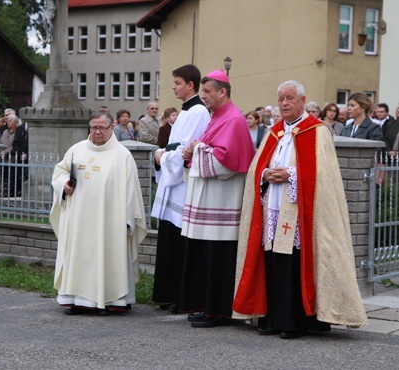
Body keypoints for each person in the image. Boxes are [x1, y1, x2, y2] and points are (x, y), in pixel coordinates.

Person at [233, 80, 368, 339]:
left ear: (302, 101)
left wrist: (291, 175)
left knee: (294, 265)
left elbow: (324, 177)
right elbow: (255, 169)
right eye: (281, 98)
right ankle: (271, 318)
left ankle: (294, 322)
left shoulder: (317, 132)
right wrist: (264, 174)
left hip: (299, 214)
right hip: (272, 207)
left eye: (290, 98)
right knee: (272, 262)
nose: (284, 103)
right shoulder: (273, 132)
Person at [179, 70, 256, 327]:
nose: (203, 97)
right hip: (211, 202)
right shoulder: (218, 117)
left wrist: (196, 148)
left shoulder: (233, 119)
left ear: (222, 92)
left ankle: (220, 311)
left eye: (207, 92)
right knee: (207, 257)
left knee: (219, 259)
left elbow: (225, 162)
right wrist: (197, 147)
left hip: (223, 203)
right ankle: (207, 307)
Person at [50, 110, 147, 315]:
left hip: (109, 222)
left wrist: (129, 220)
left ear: (112, 128)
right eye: (93, 127)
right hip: (78, 218)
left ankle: (111, 299)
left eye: (102, 127)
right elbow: (60, 172)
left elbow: (131, 190)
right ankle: (76, 300)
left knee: (108, 256)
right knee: (78, 256)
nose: (97, 132)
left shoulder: (122, 155)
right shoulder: (77, 150)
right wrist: (63, 186)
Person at [150, 64, 210, 312]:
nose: (173, 87)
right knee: (169, 239)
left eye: (177, 83)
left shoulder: (198, 112)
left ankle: (182, 297)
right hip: (172, 183)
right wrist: (164, 153)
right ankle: (169, 293)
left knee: (180, 241)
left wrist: (162, 156)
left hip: (182, 185)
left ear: (190, 85)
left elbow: (187, 150)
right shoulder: (185, 111)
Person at [0, 115, 20, 197]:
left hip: (12, 159)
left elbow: (14, 145)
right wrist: (0, 151)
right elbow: (0, 142)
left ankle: (12, 193)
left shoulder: (17, 132)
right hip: (2, 159)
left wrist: (5, 152)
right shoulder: (5, 132)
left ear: (15, 122)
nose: (8, 122)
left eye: (10, 121)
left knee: (12, 177)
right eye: (7, 121)